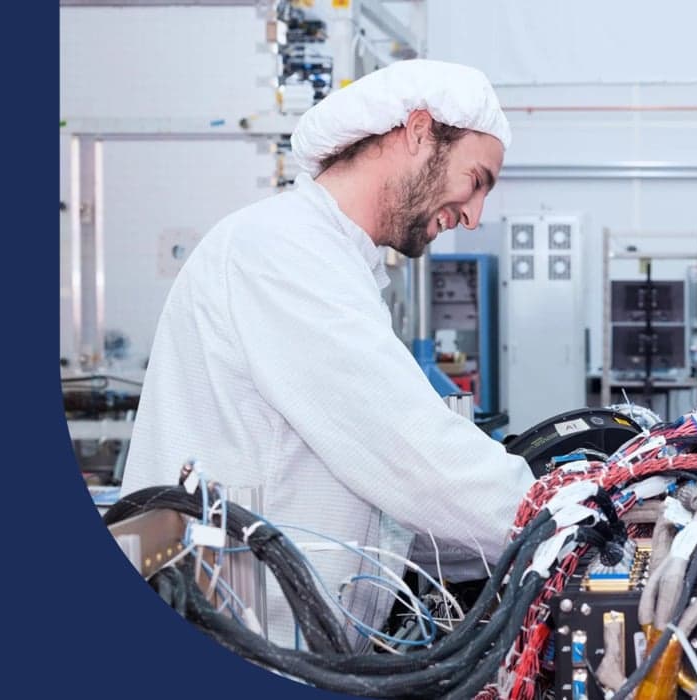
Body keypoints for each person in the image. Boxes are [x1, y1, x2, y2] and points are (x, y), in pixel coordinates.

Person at [119, 59, 535, 648]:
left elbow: (389, 501)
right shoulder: (279, 250)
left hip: (291, 640)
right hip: (239, 633)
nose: (474, 215)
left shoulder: (332, 263)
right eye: (477, 180)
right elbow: (406, 450)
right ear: (418, 132)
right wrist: (559, 514)